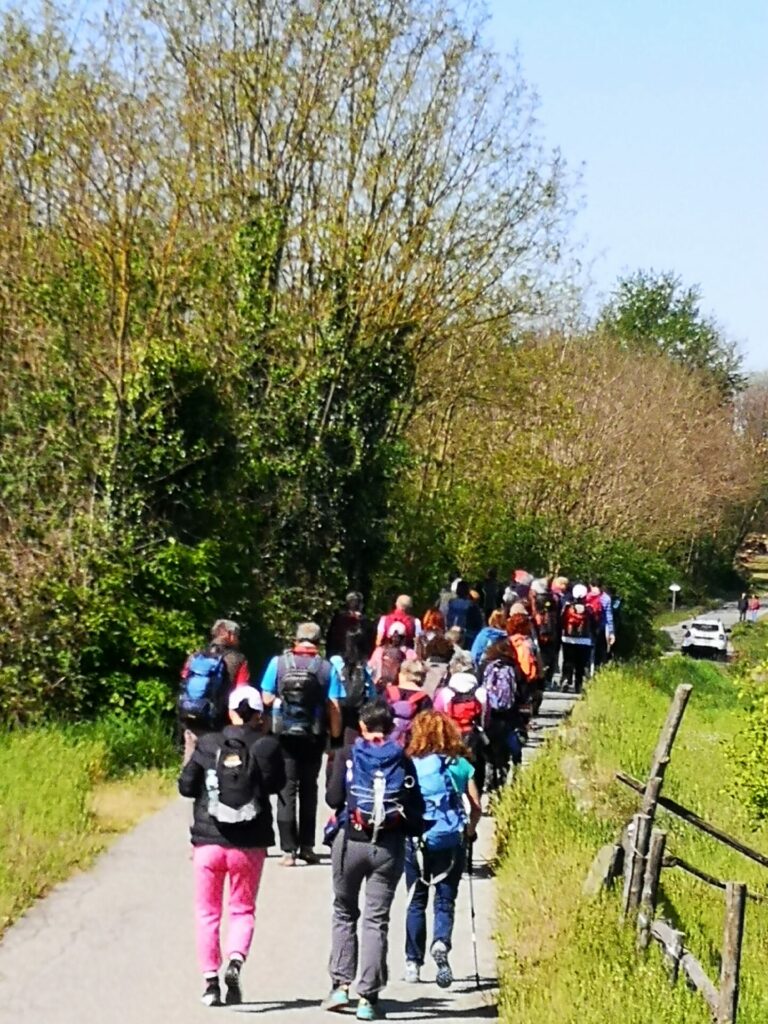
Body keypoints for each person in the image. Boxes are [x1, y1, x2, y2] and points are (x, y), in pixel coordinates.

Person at [178, 686, 285, 1008]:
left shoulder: (209, 743)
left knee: (207, 913)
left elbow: (186, 786)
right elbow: (277, 785)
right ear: (258, 714)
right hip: (249, 846)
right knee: (242, 909)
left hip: (207, 844)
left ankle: (210, 982)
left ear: (229, 711)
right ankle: (236, 960)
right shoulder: (266, 745)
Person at [324, 701, 425, 1021]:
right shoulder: (402, 759)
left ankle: (340, 986)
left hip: (350, 842)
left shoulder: (348, 754)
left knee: (344, 911)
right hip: (388, 847)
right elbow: (416, 806)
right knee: (376, 919)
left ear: (362, 727)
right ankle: (368, 997)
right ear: (391, 727)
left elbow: (333, 799)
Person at [403, 712, 482, 988]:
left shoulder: (411, 764)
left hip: (418, 840)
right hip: (451, 840)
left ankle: (413, 963)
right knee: (445, 900)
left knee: (416, 900)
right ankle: (441, 942)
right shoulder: (460, 765)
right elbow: (475, 807)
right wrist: (469, 832)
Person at [260, 622, 333, 866]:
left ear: (297, 638)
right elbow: (333, 704)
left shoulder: (278, 663)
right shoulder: (325, 667)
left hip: (284, 735)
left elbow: (266, 697)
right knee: (309, 789)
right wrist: (334, 735)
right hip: (313, 735)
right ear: (318, 640)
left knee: (286, 789)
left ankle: (288, 851)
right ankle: (308, 847)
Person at [179, 619, 252, 764]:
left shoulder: (195, 656)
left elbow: (184, 678)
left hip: (191, 713)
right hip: (219, 718)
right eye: (237, 635)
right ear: (230, 635)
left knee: (190, 754)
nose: (238, 639)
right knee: (214, 758)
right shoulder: (238, 659)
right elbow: (242, 690)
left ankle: (186, 783)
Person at [434, 665, 488, 793]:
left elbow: (437, 715)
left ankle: (454, 790)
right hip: (472, 735)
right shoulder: (481, 692)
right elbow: (486, 717)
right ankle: (476, 793)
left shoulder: (444, 693)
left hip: (450, 735)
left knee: (451, 764)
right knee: (476, 765)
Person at [329, 628, 378, 741]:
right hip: (359, 714)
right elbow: (372, 695)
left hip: (338, 712)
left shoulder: (335, 661)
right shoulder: (367, 666)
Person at [384, 658, 432, 745]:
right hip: (412, 743)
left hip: (387, 742)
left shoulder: (388, 692)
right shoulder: (425, 698)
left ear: (404, 674)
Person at [561, 585, 597, 693]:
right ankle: (578, 685)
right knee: (580, 664)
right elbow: (594, 624)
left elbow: (562, 621)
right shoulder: (589, 609)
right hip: (584, 640)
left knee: (568, 661)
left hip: (568, 639)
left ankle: (566, 679)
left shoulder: (567, 607)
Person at [528, 579, 561, 689]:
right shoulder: (552, 599)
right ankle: (547, 680)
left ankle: (540, 680)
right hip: (551, 632)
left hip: (540, 631)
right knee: (549, 656)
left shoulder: (536, 600)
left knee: (539, 656)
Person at [326, 592, 374, 660]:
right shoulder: (340, 618)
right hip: (340, 654)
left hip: (359, 656)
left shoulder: (364, 620)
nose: (355, 604)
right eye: (353, 601)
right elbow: (332, 638)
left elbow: (368, 640)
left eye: (357, 601)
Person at [368, 623, 416, 689]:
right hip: (400, 688)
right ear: (404, 637)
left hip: (379, 686)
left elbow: (370, 666)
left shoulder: (380, 650)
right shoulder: (410, 653)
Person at [446, 580, 484, 650]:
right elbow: (479, 624)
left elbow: (448, 619)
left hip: (450, 634)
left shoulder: (451, 603)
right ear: (467, 591)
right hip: (465, 637)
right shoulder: (471, 605)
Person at [587, 579, 615, 671]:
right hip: (601, 628)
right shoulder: (606, 598)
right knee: (599, 652)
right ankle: (595, 672)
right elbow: (609, 616)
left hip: (587, 627)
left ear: (591, 585)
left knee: (587, 650)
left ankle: (585, 670)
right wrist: (611, 632)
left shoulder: (587, 595)